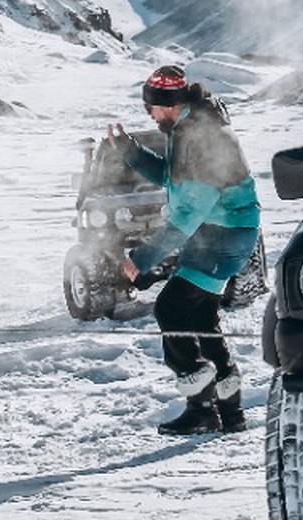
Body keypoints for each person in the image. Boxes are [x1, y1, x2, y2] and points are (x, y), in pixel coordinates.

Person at [107, 64, 262, 435]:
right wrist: (130, 151)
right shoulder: (187, 127)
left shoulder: (203, 135)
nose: (150, 114)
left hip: (222, 233)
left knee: (171, 308)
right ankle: (230, 411)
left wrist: (143, 258)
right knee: (200, 317)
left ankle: (201, 408)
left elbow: (191, 210)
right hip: (222, 231)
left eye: (150, 107)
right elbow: (171, 177)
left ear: (166, 103)